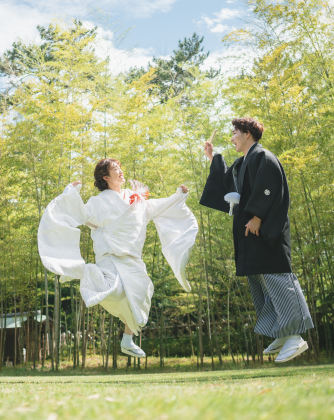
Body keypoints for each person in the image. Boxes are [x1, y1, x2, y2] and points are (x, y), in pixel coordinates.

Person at [38, 158, 198, 358]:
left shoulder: (135, 198)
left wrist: (178, 195)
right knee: (115, 292)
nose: (120, 171)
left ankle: (127, 341)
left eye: (120, 167)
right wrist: (72, 194)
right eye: (115, 169)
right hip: (110, 256)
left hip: (133, 258)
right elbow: (81, 214)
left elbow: (157, 207)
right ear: (106, 177)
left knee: (142, 294)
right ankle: (84, 271)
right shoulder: (98, 201)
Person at [199, 117, 313, 363]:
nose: (232, 138)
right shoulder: (244, 162)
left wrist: (258, 216)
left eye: (234, 133)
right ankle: (283, 333)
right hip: (252, 232)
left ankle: (295, 336)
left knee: (277, 278)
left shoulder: (263, 156)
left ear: (247, 133)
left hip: (267, 231)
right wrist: (212, 157)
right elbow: (229, 181)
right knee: (261, 281)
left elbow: (270, 187)